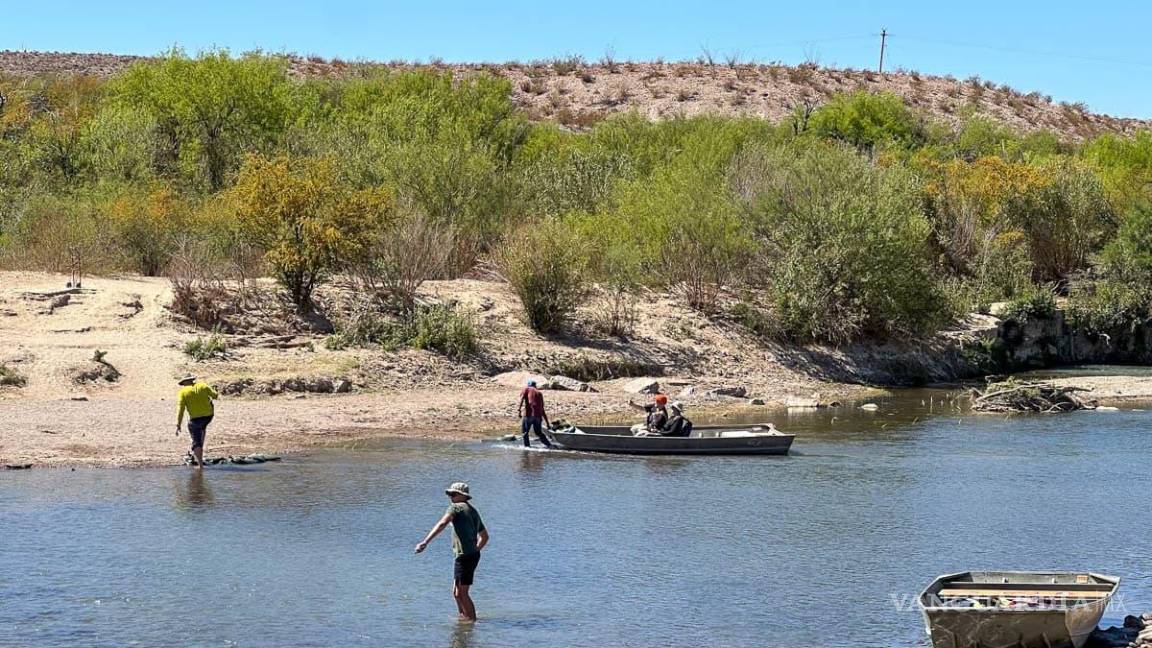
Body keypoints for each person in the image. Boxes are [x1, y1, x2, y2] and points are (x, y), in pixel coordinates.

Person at [415, 482, 489, 622]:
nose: (451, 497)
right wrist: (475, 550)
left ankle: (471, 622)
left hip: (465, 556)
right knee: (456, 592)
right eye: (449, 494)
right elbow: (485, 537)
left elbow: (442, 523)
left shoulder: (455, 508)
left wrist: (425, 542)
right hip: (469, 555)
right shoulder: (473, 511)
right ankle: (463, 618)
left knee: (463, 593)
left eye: (453, 494)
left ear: (463, 496)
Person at [176, 373, 219, 468]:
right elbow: (215, 396)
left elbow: (181, 409)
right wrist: (215, 390)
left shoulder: (182, 392)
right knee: (202, 429)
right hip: (208, 416)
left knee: (196, 440)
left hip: (195, 419)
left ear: (184, 382)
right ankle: (199, 451)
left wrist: (178, 424)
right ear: (192, 380)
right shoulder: (203, 385)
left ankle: (200, 465)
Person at [517, 379, 553, 448]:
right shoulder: (539, 393)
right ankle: (549, 445)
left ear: (528, 385)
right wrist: (547, 423)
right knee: (538, 432)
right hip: (538, 416)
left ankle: (527, 447)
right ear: (535, 385)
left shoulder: (526, 389)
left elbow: (522, 399)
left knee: (525, 432)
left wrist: (519, 410)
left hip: (528, 415)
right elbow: (542, 408)